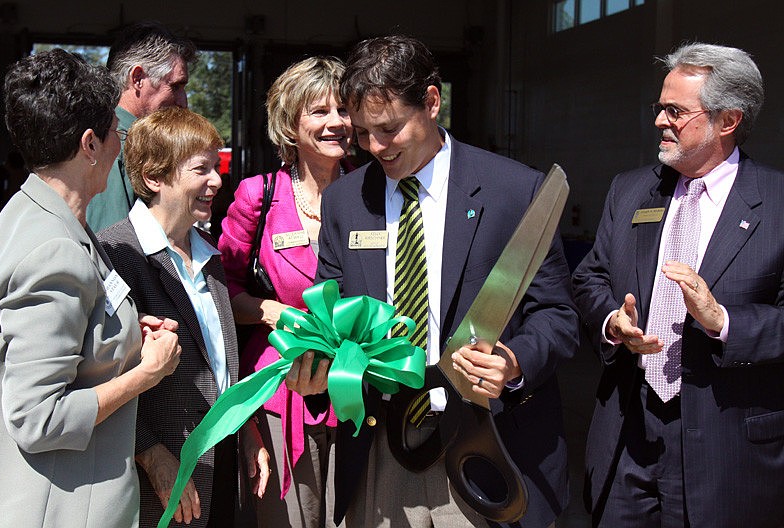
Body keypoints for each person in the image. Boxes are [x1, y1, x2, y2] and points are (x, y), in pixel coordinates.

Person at [288, 35, 578, 528]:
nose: (375, 148)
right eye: (362, 133)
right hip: (382, 445)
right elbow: (329, 316)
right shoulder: (347, 200)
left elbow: (558, 316)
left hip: (485, 442)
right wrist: (313, 367)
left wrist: (512, 361)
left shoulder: (515, 191)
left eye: (389, 128)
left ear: (431, 101)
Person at [572, 42, 784, 527]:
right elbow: (591, 276)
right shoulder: (630, 190)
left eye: (675, 111)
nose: (658, 121)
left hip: (727, 451)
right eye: (659, 107)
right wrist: (611, 321)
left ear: (727, 121)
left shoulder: (776, 203)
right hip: (627, 436)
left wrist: (724, 321)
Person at [0, 49, 181, 527]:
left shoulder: (34, 214)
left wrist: (130, 332)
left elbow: (74, 331)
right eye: (119, 131)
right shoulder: (54, 250)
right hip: (57, 509)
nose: (123, 143)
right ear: (91, 144)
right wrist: (147, 373)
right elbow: (38, 418)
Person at [98, 107, 270, 527]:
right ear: (155, 178)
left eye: (216, 167)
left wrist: (244, 429)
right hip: (157, 476)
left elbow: (217, 365)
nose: (216, 180)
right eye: (201, 170)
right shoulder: (116, 253)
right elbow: (98, 377)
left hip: (220, 467)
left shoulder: (208, 253)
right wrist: (151, 453)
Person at [218, 55, 352, 528]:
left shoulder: (376, 195)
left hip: (362, 393)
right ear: (290, 123)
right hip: (282, 393)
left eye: (344, 109)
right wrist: (275, 311)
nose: (336, 122)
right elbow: (223, 293)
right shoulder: (260, 195)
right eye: (319, 111)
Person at [86, 21, 196, 233]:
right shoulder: (112, 143)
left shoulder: (128, 141)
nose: (183, 102)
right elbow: (111, 245)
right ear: (137, 79)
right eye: (175, 86)